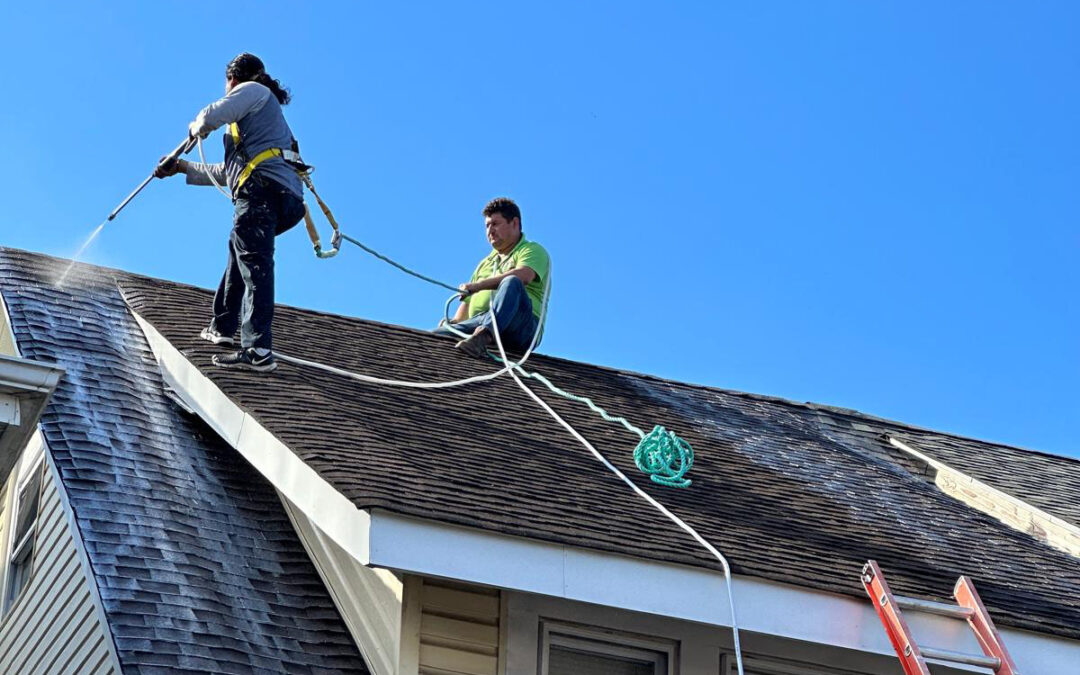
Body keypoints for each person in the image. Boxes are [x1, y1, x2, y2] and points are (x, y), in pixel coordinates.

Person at [155, 53, 305, 372]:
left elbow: (212, 114)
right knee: (241, 251)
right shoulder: (255, 121)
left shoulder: (253, 91)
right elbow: (229, 172)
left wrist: (197, 128)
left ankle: (258, 348)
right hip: (280, 196)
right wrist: (181, 166)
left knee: (253, 261)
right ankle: (222, 328)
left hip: (263, 191)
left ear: (232, 79)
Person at [436, 198, 551, 357]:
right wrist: (451, 324)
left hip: (521, 326)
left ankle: (484, 336)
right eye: (487, 226)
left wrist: (479, 285)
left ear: (515, 223)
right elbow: (466, 308)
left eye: (495, 224)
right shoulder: (485, 263)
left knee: (512, 282)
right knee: (434, 337)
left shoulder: (531, 250)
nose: (490, 230)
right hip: (479, 321)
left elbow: (524, 275)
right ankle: (479, 336)